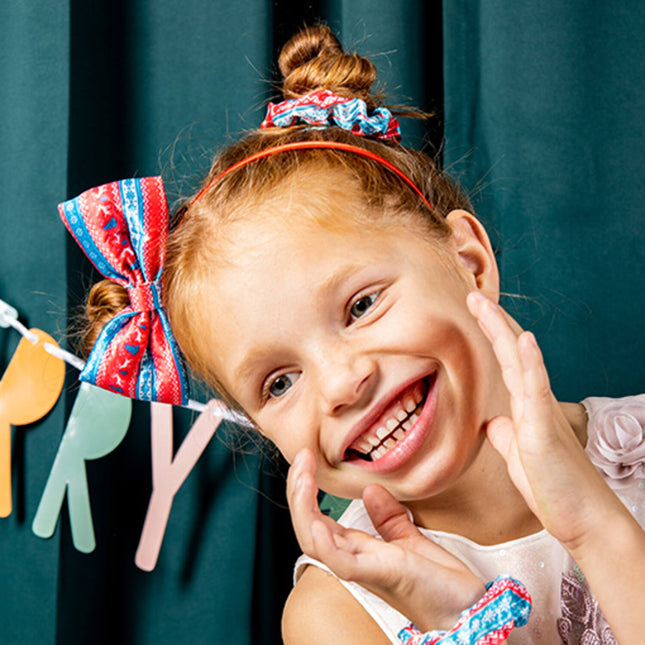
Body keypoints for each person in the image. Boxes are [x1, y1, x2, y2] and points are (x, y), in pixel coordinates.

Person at [59, 25, 645, 645]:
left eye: (361, 305)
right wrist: (460, 618)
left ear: (469, 261)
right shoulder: (335, 618)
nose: (341, 382)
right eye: (279, 382)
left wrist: (597, 530)